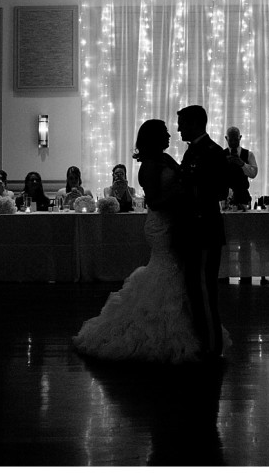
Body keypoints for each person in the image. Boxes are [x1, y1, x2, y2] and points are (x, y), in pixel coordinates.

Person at [73, 119, 228, 363]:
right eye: (165, 133)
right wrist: (178, 192)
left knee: (177, 272)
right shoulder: (148, 167)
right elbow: (154, 201)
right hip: (161, 224)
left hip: (175, 222)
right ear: (155, 138)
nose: (170, 135)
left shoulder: (165, 160)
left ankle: (199, 333)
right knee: (167, 269)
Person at [178, 104, 232, 360]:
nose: (178, 129)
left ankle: (212, 347)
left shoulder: (213, 152)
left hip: (205, 229)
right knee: (195, 290)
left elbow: (220, 191)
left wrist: (196, 190)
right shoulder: (192, 153)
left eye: (182, 123)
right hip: (193, 230)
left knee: (204, 289)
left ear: (195, 124)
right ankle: (204, 341)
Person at [224, 126, 258, 208]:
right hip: (226, 197)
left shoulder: (249, 154)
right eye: (230, 140)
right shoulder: (221, 155)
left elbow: (253, 174)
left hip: (243, 197)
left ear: (240, 137)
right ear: (226, 138)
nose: (233, 142)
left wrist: (242, 164)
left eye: (236, 139)